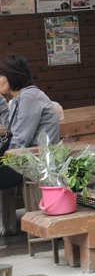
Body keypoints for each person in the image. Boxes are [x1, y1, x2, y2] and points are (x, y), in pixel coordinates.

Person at [0, 54, 61, 190]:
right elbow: (10, 125)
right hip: (28, 157)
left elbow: (21, 139)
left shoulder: (29, 97)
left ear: (12, 75)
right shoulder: (21, 97)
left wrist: (5, 160)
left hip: (37, 162)